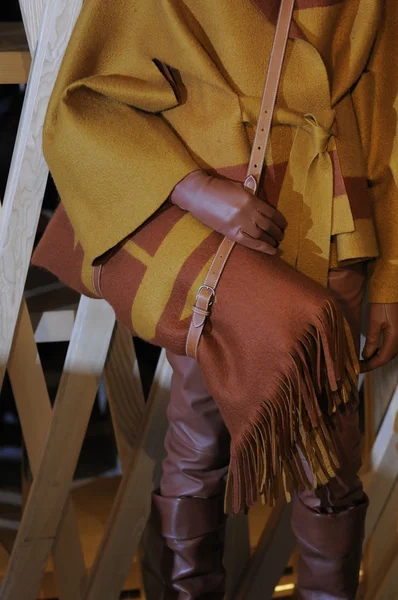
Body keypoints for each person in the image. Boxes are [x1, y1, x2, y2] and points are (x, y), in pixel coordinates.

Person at [41, 0, 398, 598]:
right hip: (218, 227)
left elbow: (386, 114)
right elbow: (82, 102)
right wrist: (193, 187)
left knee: (330, 459)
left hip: (333, 217)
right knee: (200, 438)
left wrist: (390, 279)